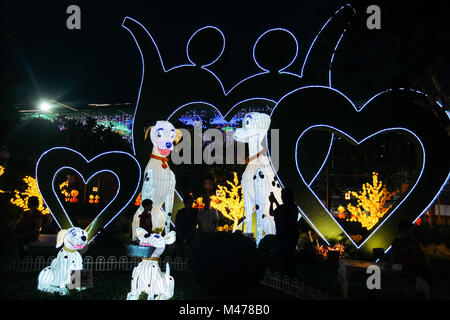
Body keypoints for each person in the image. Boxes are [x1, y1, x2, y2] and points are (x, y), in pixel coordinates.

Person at [389, 220, 432, 299]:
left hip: (420, 268)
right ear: (403, 230)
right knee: (411, 288)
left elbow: (422, 254)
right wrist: (390, 265)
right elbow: (393, 254)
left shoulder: (413, 241)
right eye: (409, 229)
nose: (411, 231)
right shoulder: (398, 242)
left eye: (410, 229)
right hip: (410, 268)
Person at [269, 188, 299, 278]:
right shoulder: (293, 208)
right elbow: (281, 210)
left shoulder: (286, 208)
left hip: (283, 236)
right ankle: (290, 276)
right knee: (289, 256)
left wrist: (272, 202)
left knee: (284, 257)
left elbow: (272, 213)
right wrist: (274, 202)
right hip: (291, 236)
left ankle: (286, 276)